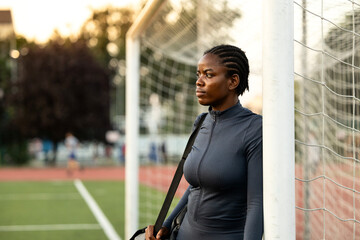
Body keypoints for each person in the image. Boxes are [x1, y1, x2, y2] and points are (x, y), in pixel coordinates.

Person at [145, 44, 263, 240]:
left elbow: (257, 203)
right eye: (198, 74)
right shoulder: (201, 123)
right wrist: (165, 225)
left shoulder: (255, 129)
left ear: (233, 81)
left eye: (208, 75)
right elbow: (196, 187)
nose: (199, 82)